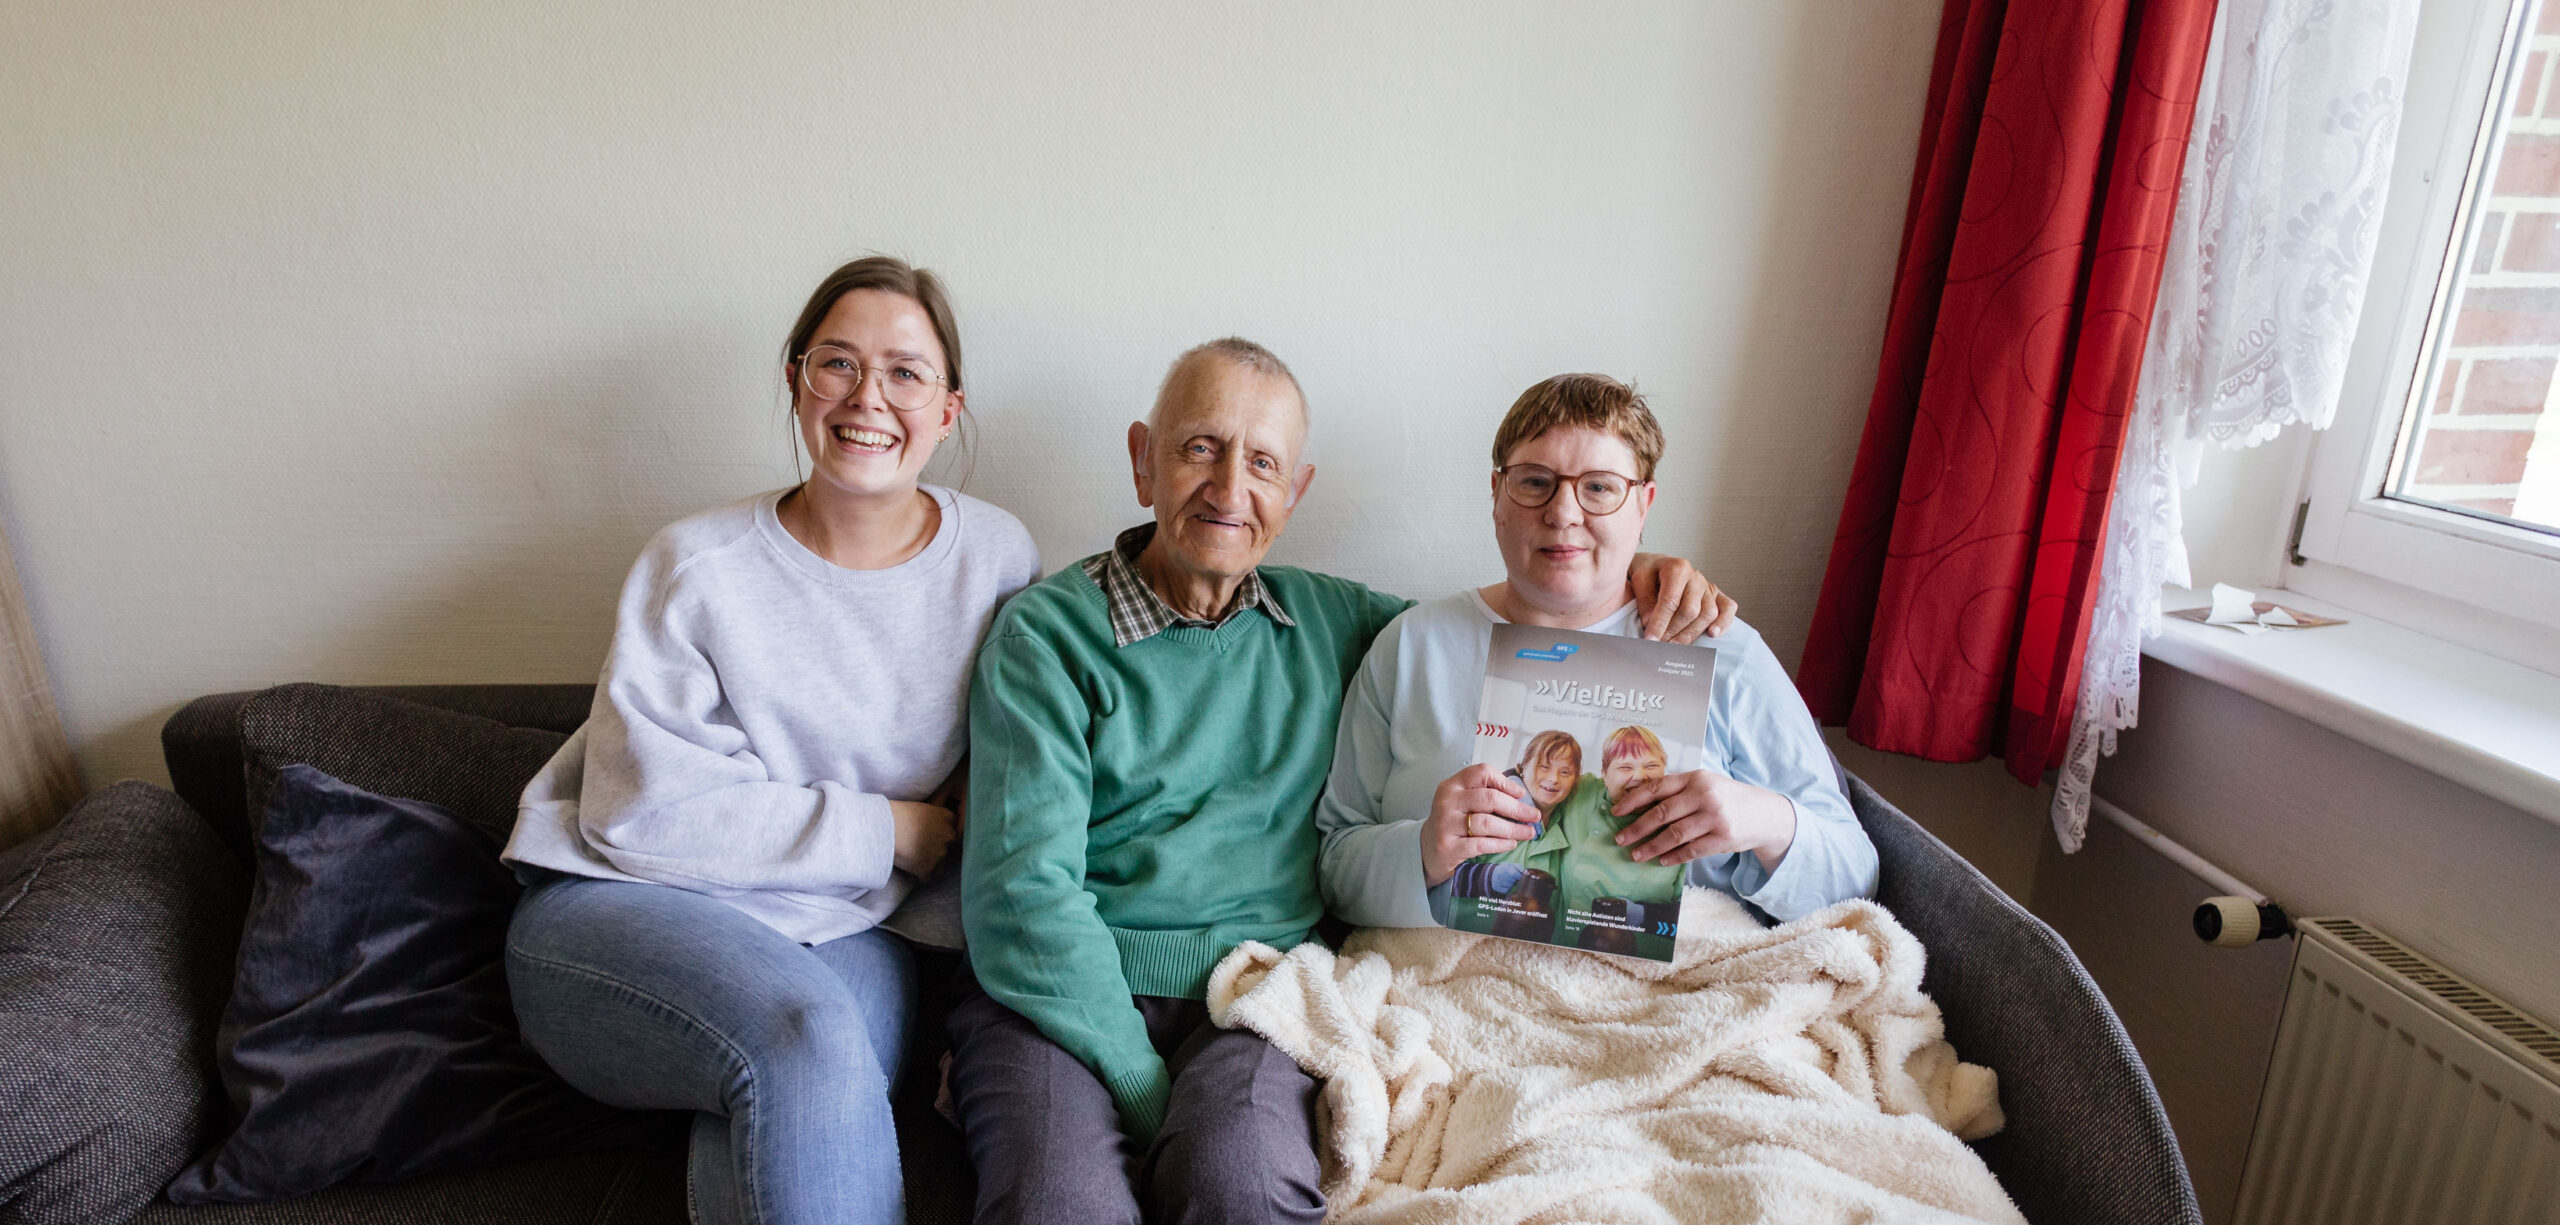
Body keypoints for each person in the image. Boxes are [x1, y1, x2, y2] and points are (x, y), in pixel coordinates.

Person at [949, 341, 1736, 1225]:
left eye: (1263, 464)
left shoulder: (1333, 620)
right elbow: (1023, 898)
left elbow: (1500, 630)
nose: (1229, 487)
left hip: (1259, 994)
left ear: (1295, 492)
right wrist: (1143, 1090)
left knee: (1242, 1187)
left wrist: (1635, 579)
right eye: (1200, 447)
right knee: (1061, 1206)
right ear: (1143, 460)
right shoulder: (1048, 636)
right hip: (1055, 997)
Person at [498, 257, 1041, 1225]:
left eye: (905, 372)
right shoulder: (695, 564)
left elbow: (1013, 768)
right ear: (796, 380)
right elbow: (641, 814)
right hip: (622, 909)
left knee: (808, 1063)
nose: (867, 396)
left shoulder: (997, 559)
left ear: (947, 410)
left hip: (841, 926)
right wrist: (886, 830)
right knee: (806, 1032)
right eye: (837, 362)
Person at [1315, 372, 1879, 957]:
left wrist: (1766, 821)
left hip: (1680, 985)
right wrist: (1425, 850)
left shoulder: (1720, 646)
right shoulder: (1413, 645)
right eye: (1535, 482)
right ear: (1497, 494)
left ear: (1643, 504)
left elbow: (1857, 881)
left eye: (1600, 488)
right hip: (1451, 978)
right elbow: (1333, 868)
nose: (1563, 513)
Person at [1552, 725, 1688, 957]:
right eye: (1626, 767)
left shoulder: (1680, 826)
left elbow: (1685, 917)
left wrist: (1639, 915)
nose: (1640, 776)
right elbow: (1535, 778)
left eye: (1651, 766)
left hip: (1639, 958)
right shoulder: (1582, 791)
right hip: (1559, 949)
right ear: (1604, 774)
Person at [1445, 728, 1583, 941]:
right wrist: (1489, 877)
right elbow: (1441, 877)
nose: (1553, 778)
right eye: (1544, 767)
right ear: (1523, 766)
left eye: (1565, 772)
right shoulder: (1489, 811)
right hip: (1467, 938)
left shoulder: (1567, 826)